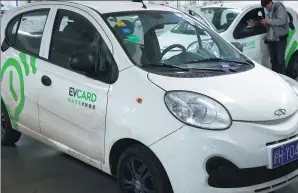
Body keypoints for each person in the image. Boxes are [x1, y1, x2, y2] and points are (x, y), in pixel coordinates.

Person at [247, 0, 289, 74]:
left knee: (280, 61)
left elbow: (281, 21)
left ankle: (283, 79)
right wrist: (257, 23)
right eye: (264, 7)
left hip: (280, 39)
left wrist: (268, 21)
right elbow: (267, 24)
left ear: (270, 2)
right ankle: (275, 77)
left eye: (266, 6)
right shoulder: (268, 10)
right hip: (271, 39)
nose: (266, 8)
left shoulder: (279, 7)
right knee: (273, 60)